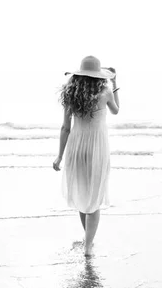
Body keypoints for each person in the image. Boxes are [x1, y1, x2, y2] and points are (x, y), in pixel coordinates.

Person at [53, 56, 120, 257]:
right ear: (98, 75)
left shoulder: (70, 94)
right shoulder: (105, 92)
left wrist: (59, 156)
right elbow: (116, 110)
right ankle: (88, 247)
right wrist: (115, 82)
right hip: (97, 148)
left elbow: (65, 128)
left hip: (76, 147)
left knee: (82, 196)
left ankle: (87, 239)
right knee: (94, 199)